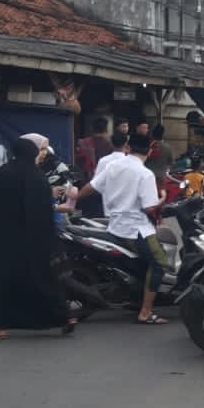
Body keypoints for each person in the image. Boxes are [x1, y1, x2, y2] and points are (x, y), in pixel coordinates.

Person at [0, 136, 76, 338]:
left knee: (6, 283)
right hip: (36, 239)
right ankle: (65, 315)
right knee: (43, 280)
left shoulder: (3, 173)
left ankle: (1, 326)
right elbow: (43, 210)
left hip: (7, 239)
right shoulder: (37, 177)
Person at [77, 132, 167, 325]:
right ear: (149, 151)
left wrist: (74, 198)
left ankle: (138, 297)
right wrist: (163, 198)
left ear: (129, 147)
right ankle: (146, 311)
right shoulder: (145, 174)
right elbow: (150, 207)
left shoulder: (112, 166)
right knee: (159, 263)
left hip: (115, 226)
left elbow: (91, 187)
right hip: (136, 229)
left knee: (146, 262)